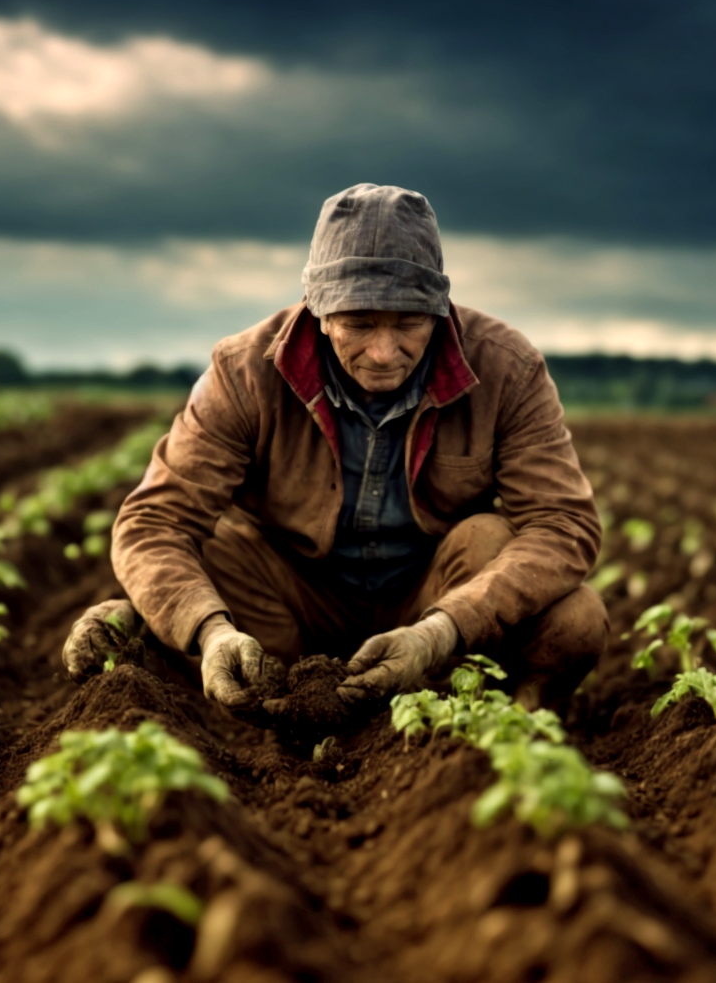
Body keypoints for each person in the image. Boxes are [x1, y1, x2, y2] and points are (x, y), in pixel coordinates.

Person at [62, 183, 606, 711]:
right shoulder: (245, 372)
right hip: (287, 599)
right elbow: (156, 520)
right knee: (212, 552)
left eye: (410, 323)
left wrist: (441, 631)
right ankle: (204, 662)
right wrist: (210, 630)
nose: (385, 351)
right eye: (360, 323)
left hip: (430, 597)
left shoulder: (506, 368)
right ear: (319, 311)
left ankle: (493, 728)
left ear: (439, 309)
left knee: (567, 612)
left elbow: (563, 525)